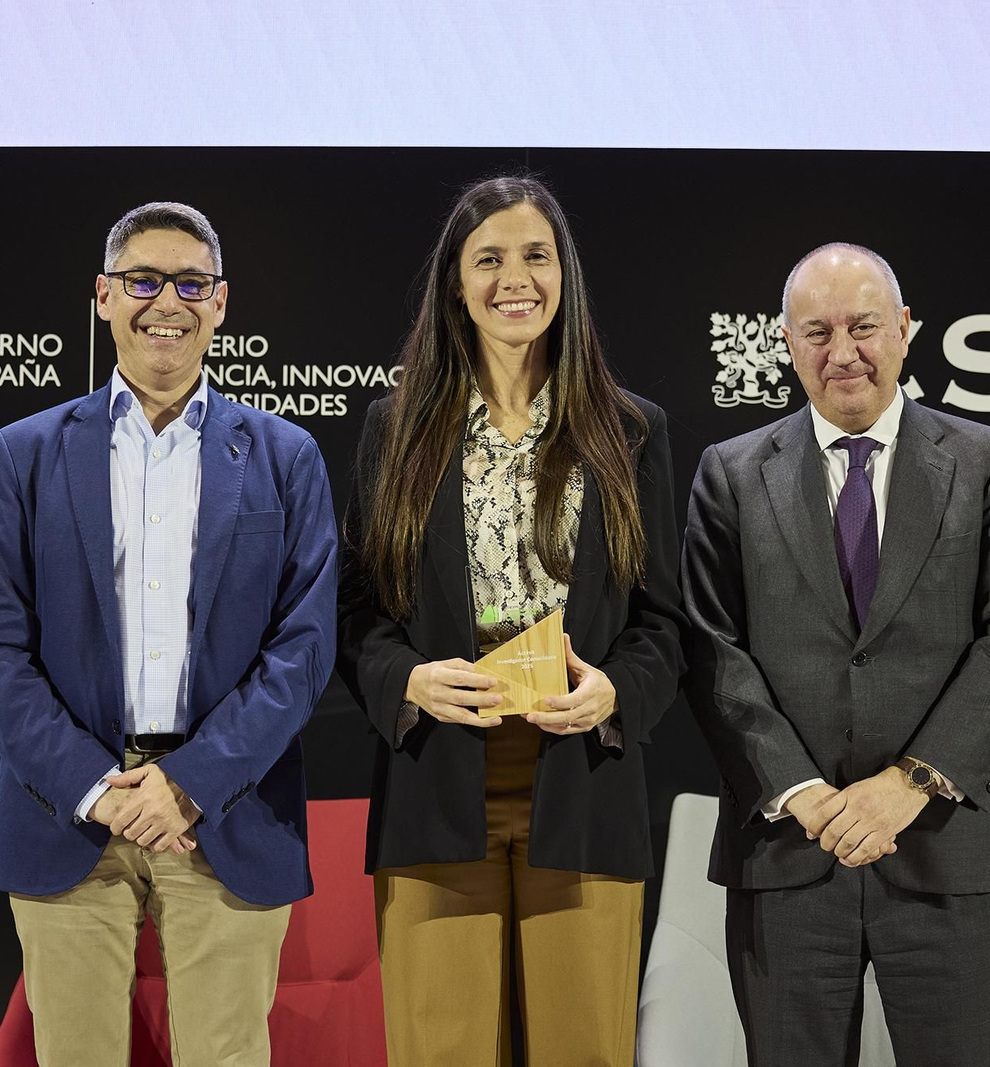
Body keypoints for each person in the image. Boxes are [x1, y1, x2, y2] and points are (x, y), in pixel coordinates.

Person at [0, 201, 338, 1067]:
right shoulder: (24, 453)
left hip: (226, 816)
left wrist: (190, 782)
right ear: (103, 296)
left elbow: (304, 647)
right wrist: (98, 784)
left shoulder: (286, 456)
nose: (166, 300)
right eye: (143, 280)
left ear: (221, 302)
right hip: (70, 815)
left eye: (190, 283)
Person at [336, 175, 685, 1066]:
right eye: (487, 258)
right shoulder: (396, 430)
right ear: (455, 283)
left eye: (536, 254)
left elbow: (662, 624)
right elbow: (356, 612)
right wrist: (407, 678)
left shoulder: (629, 430)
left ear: (563, 272)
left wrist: (613, 692)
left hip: (583, 788)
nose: (514, 278)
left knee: (582, 1051)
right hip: (436, 785)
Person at [682, 242, 990, 1067]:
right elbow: (711, 648)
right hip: (789, 857)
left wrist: (908, 783)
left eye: (864, 326)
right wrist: (806, 793)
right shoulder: (730, 475)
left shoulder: (989, 462)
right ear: (785, 341)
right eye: (816, 331)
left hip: (944, 849)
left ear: (906, 330)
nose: (842, 351)